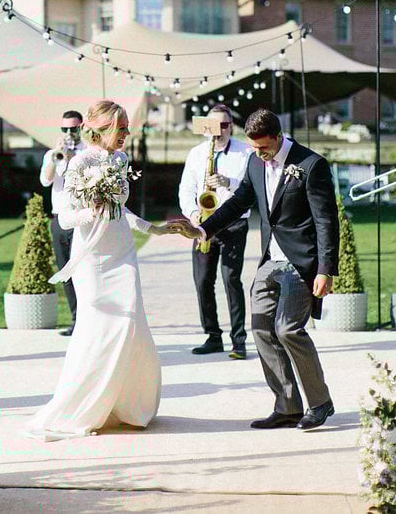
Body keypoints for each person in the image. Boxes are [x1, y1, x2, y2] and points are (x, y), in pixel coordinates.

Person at [171, 109, 339, 431]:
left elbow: (325, 220)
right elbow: (237, 203)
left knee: (288, 329)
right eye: (254, 148)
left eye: (263, 148)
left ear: (277, 136)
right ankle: (288, 405)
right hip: (269, 260)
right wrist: (204, 230)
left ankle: (320, 403)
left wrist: (325, 268)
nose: (259, 154)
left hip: (300, 262)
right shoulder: (254, 161)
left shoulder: (311, 165)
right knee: (261, 327)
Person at [25, 100, 176, 441]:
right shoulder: (78, 162)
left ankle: (126, 405)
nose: (125, 134)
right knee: (99, 327)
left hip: (122, 252)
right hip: (92, 256)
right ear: (102, 128)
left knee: (130, 322)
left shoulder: (121, 160)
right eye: (120, 128)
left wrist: (155, 229)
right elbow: (65, 217)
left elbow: (121, 210)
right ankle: (86, 405)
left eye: (126, 128)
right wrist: (91, 213)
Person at [177, 104, 252, 359]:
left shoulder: (245, 152)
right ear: (206, 127)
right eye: (215, 125)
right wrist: (193, 213)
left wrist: (226, 182)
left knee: (232, 280)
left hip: (234, 223)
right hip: (204, 225)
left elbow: (250, 189)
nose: (220, 131)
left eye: (225, 125)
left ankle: (238, 341)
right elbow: (186, 188)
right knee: (202, 281)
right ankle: (213, 336)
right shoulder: (197, 153)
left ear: (231, 126)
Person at [40, 110, 86, 336]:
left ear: (82, 128)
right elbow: (46, 181)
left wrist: (72, 160)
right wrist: (59, 156)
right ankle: (76, 320)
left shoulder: (87, 152)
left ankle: (88, 321)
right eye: (65, 129)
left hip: (80, 218)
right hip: (59, 219)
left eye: (73, 129)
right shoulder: (52, 154)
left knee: (83, 271)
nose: (69, 133)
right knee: (65, 271)